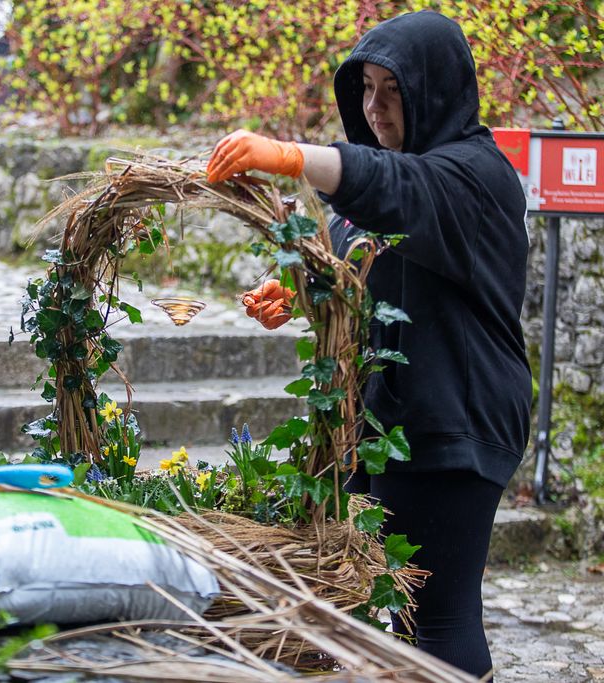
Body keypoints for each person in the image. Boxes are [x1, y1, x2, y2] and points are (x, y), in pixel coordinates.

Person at [207, 10, 530, 679]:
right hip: (390, 420)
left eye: (392, 90)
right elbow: (351, 249)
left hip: (457, 420)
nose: (374, 107)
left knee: (438, 613)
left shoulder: (476, 175)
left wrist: (293, 156)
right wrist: (296, 288)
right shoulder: (385, 183)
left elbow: (399, 192)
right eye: (365, 88)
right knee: (403, 610)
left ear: (433, 90)